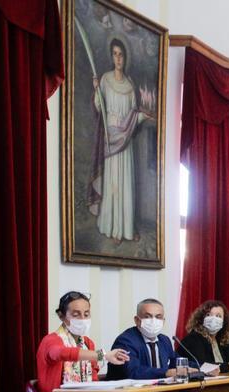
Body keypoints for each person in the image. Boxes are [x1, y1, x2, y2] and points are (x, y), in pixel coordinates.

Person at [35, 291, 130, 392]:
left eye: (86, 314)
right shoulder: (51, 341)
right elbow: (63, 353)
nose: (83, 319)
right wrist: (103, 355)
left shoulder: (87, 344)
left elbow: (94, 379)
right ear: (62, 316)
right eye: (76, 314)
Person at [89, 38, 154, 241]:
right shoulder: (106, 79)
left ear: (125, 57)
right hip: (111, 139)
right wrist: (96, 90)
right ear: (111, 57)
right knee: (114, 182)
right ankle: (114, 228)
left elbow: (134, 114)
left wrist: (146, 116)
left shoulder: (130, 84)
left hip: (126, 141)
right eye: (115, 54)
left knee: (126, 182)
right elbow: (100, 107)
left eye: (121, 54)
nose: (118, 58)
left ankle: (126, 227)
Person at [107, 298, 179, 380]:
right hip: (127, 390)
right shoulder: (126, 340)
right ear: (137, 320)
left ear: (163, 321)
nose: (153, 321)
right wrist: (166, 372)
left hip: (158, 390)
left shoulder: (164, 340)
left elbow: (175, 362)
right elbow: (132, 371)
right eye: (147, 317)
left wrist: (192, 368)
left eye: (158, 317)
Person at [179, 300, 229, 373]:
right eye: (209, 315)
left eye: (218, 316)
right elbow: (204, 366)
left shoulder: (220, 340)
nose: (214, 319)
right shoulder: (193, 339)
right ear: (201, 318)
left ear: (224, 322)